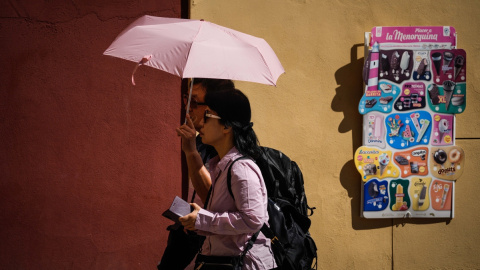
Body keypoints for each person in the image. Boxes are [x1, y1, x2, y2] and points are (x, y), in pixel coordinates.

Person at [176, 89, 276, 269]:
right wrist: (198, 219)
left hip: (244, 264)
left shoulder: (241, 169)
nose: (200, 123)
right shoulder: (223, 166)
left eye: (207, 116)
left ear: (227, 126)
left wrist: (202, 219)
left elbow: (252, 219)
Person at [157, 78, 235, 270]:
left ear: (215, 108)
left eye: (195, 102)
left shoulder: (228, 149)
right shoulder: (201, 140)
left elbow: (212, 197)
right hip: (187, 235)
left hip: (213, 245)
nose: (188, 108)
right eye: (186, 100)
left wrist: (191, 152)